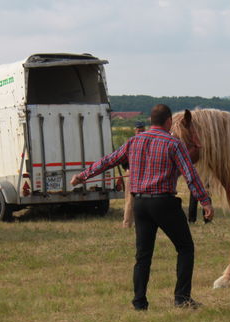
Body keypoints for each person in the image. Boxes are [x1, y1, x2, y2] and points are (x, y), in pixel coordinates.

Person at [71, 104, 214, 310]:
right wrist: (205, 201)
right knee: (185, 248)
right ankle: (182, 298)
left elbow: (108, 161)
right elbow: (190, 174)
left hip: (140, 204)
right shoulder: (174, 144)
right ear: (168, 122)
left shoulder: (134, 141)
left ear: (150, 121)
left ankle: (139, 302)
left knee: (143, 255)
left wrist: (83, 176)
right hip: (163, 202)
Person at [122, 121, 148, 228]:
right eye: (139, 130)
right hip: (132, 174)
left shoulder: (148, 143)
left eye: (142, 130)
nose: (140, 132)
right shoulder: (130, 143)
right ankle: (127, 224)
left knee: (145, 200)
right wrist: (128, 169)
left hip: (145, 174)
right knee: (130, 200)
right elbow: (122, 159)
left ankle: (143, 223)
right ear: (135, 131)